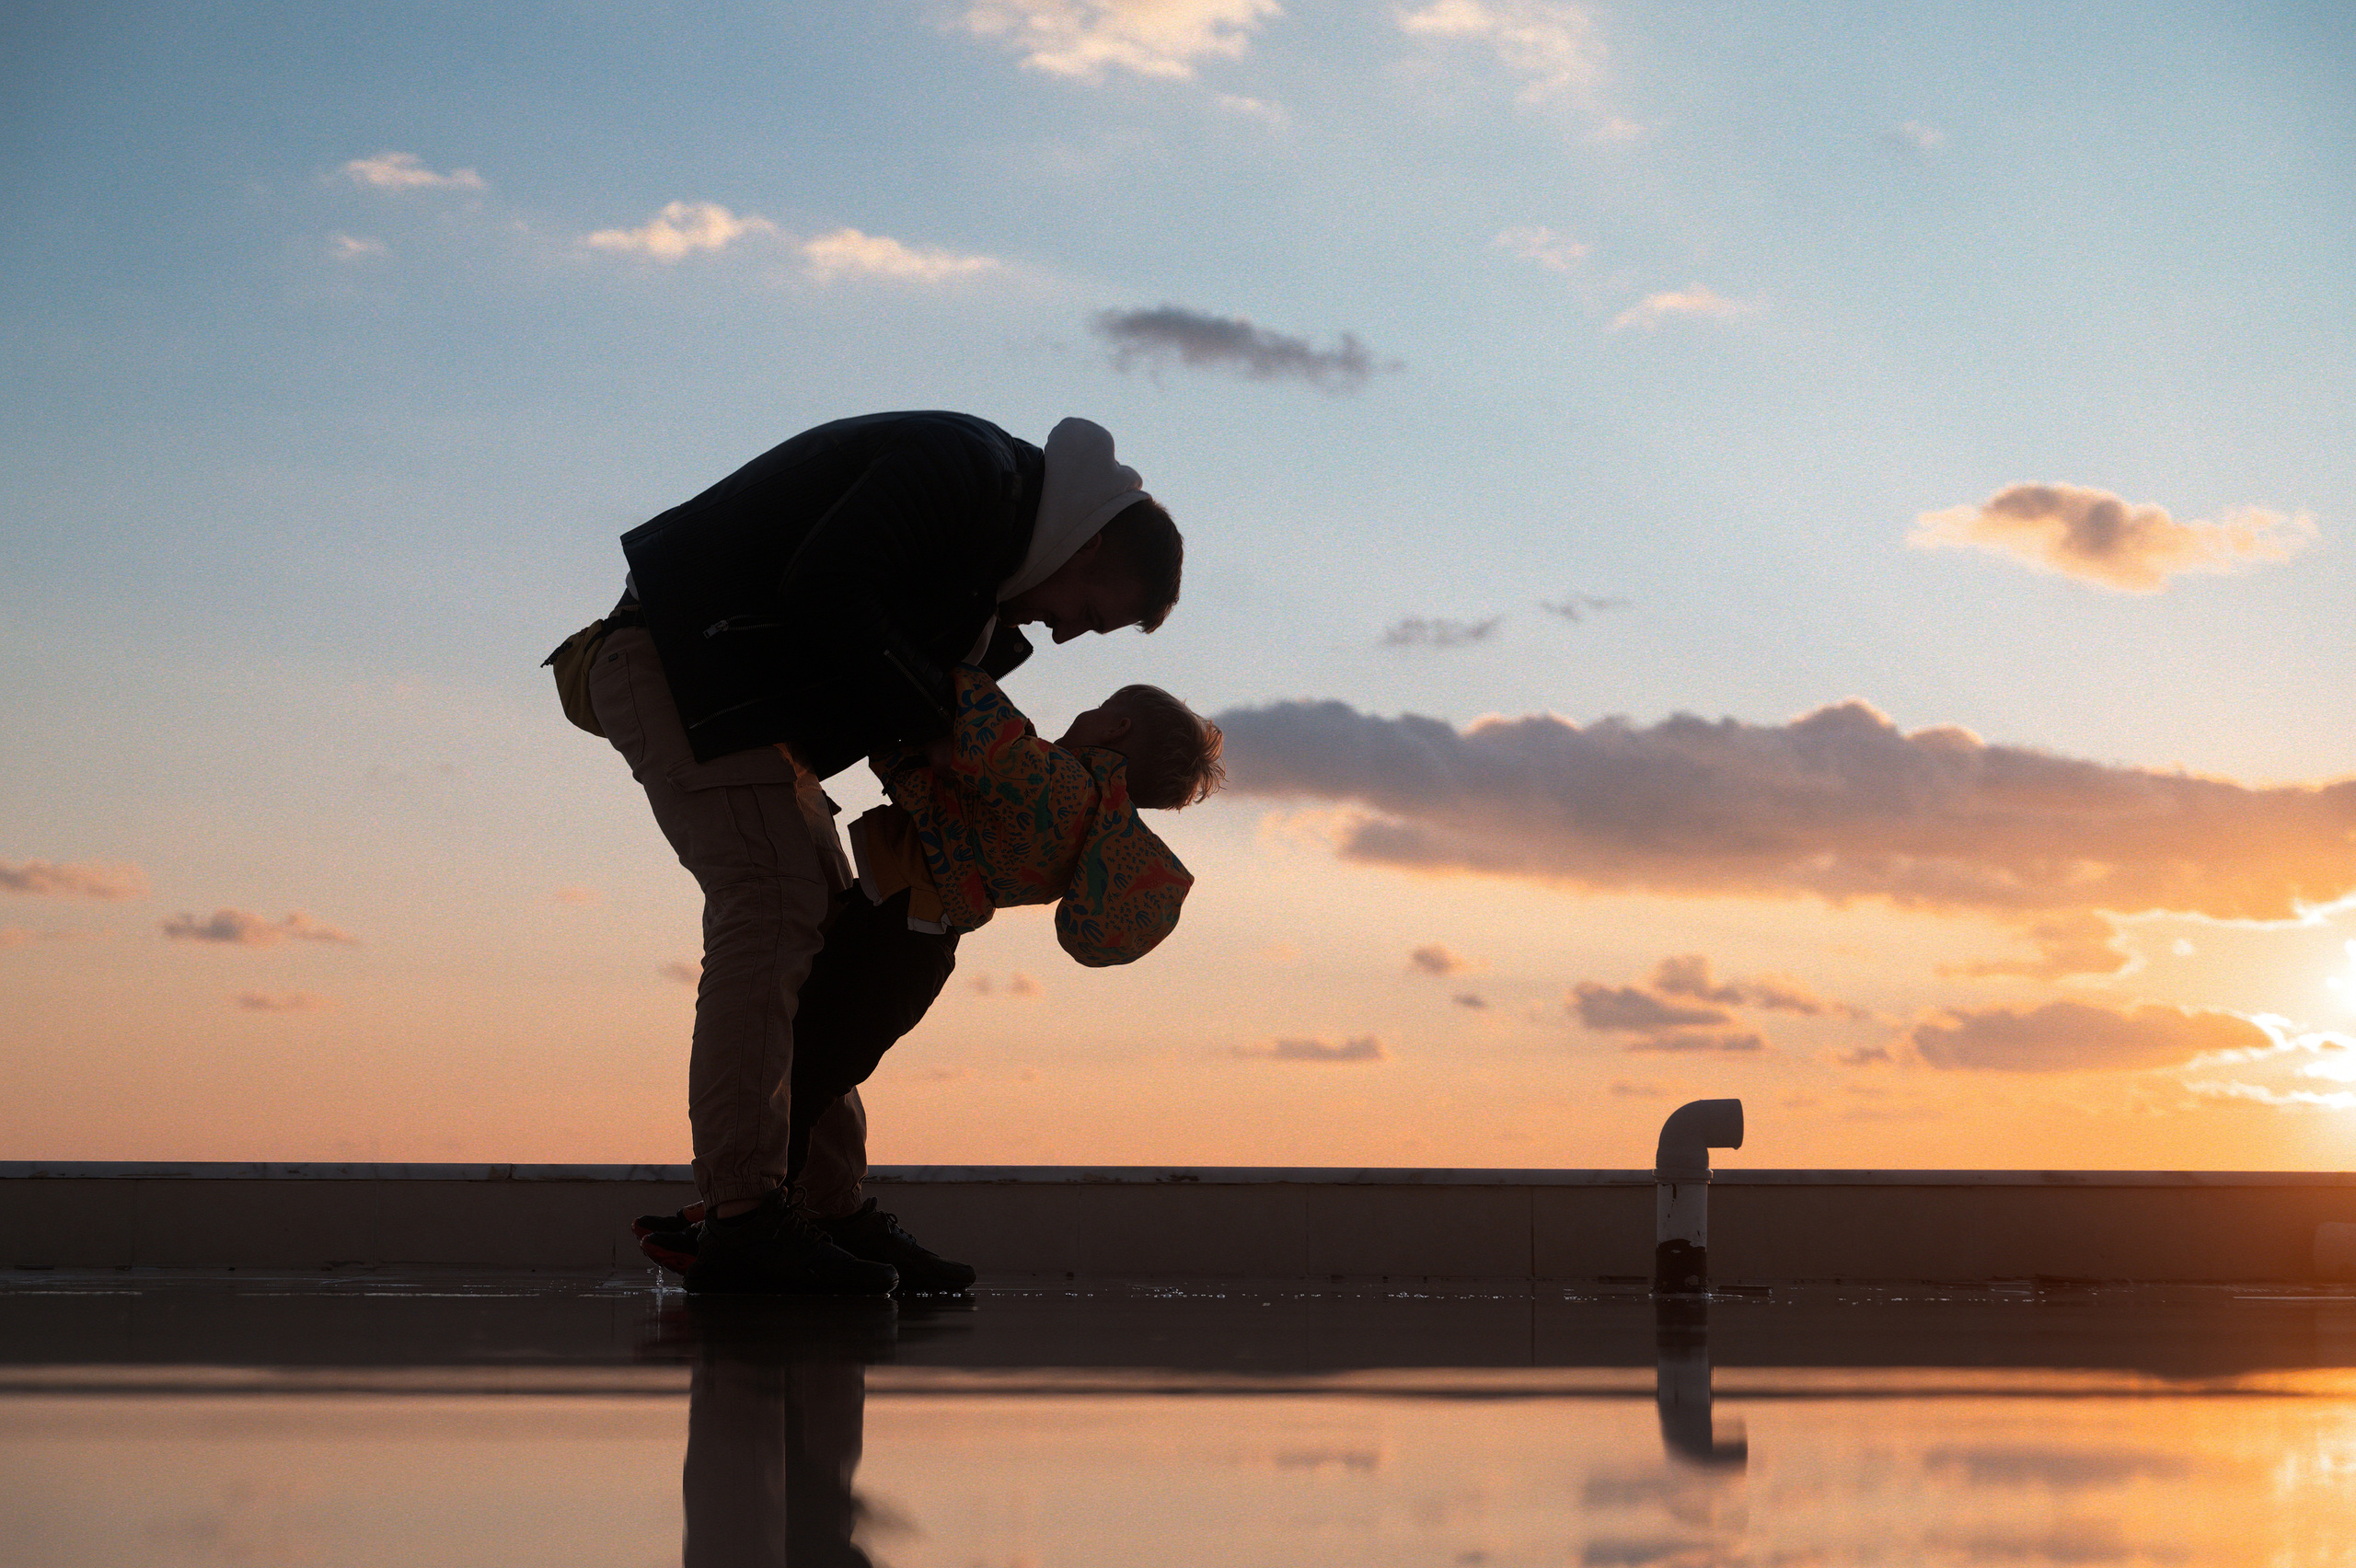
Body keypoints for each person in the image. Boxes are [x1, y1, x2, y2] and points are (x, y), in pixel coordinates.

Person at [549, 411, 1184, 1296]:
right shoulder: (966, 473)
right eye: (1089, 612)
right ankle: (746, 1218)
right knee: (774, 905)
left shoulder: (987, 584)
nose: (1067, 635)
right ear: (1088, 544)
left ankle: (823, 1211)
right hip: (682, 669)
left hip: (746, 707)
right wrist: (937, 724)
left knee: (824, 935)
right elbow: (827, 587)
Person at [637, 670, 1225, 1292]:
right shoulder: (1090, 825)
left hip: (895, 934)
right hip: (918, 945)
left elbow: (984, 739)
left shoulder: (1059, 785)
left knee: (805, 1074)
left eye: (1101, 704)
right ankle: (741, 1219)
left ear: (1116, 726)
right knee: (817, 1070)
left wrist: (950, 665)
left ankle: (740, 1230)